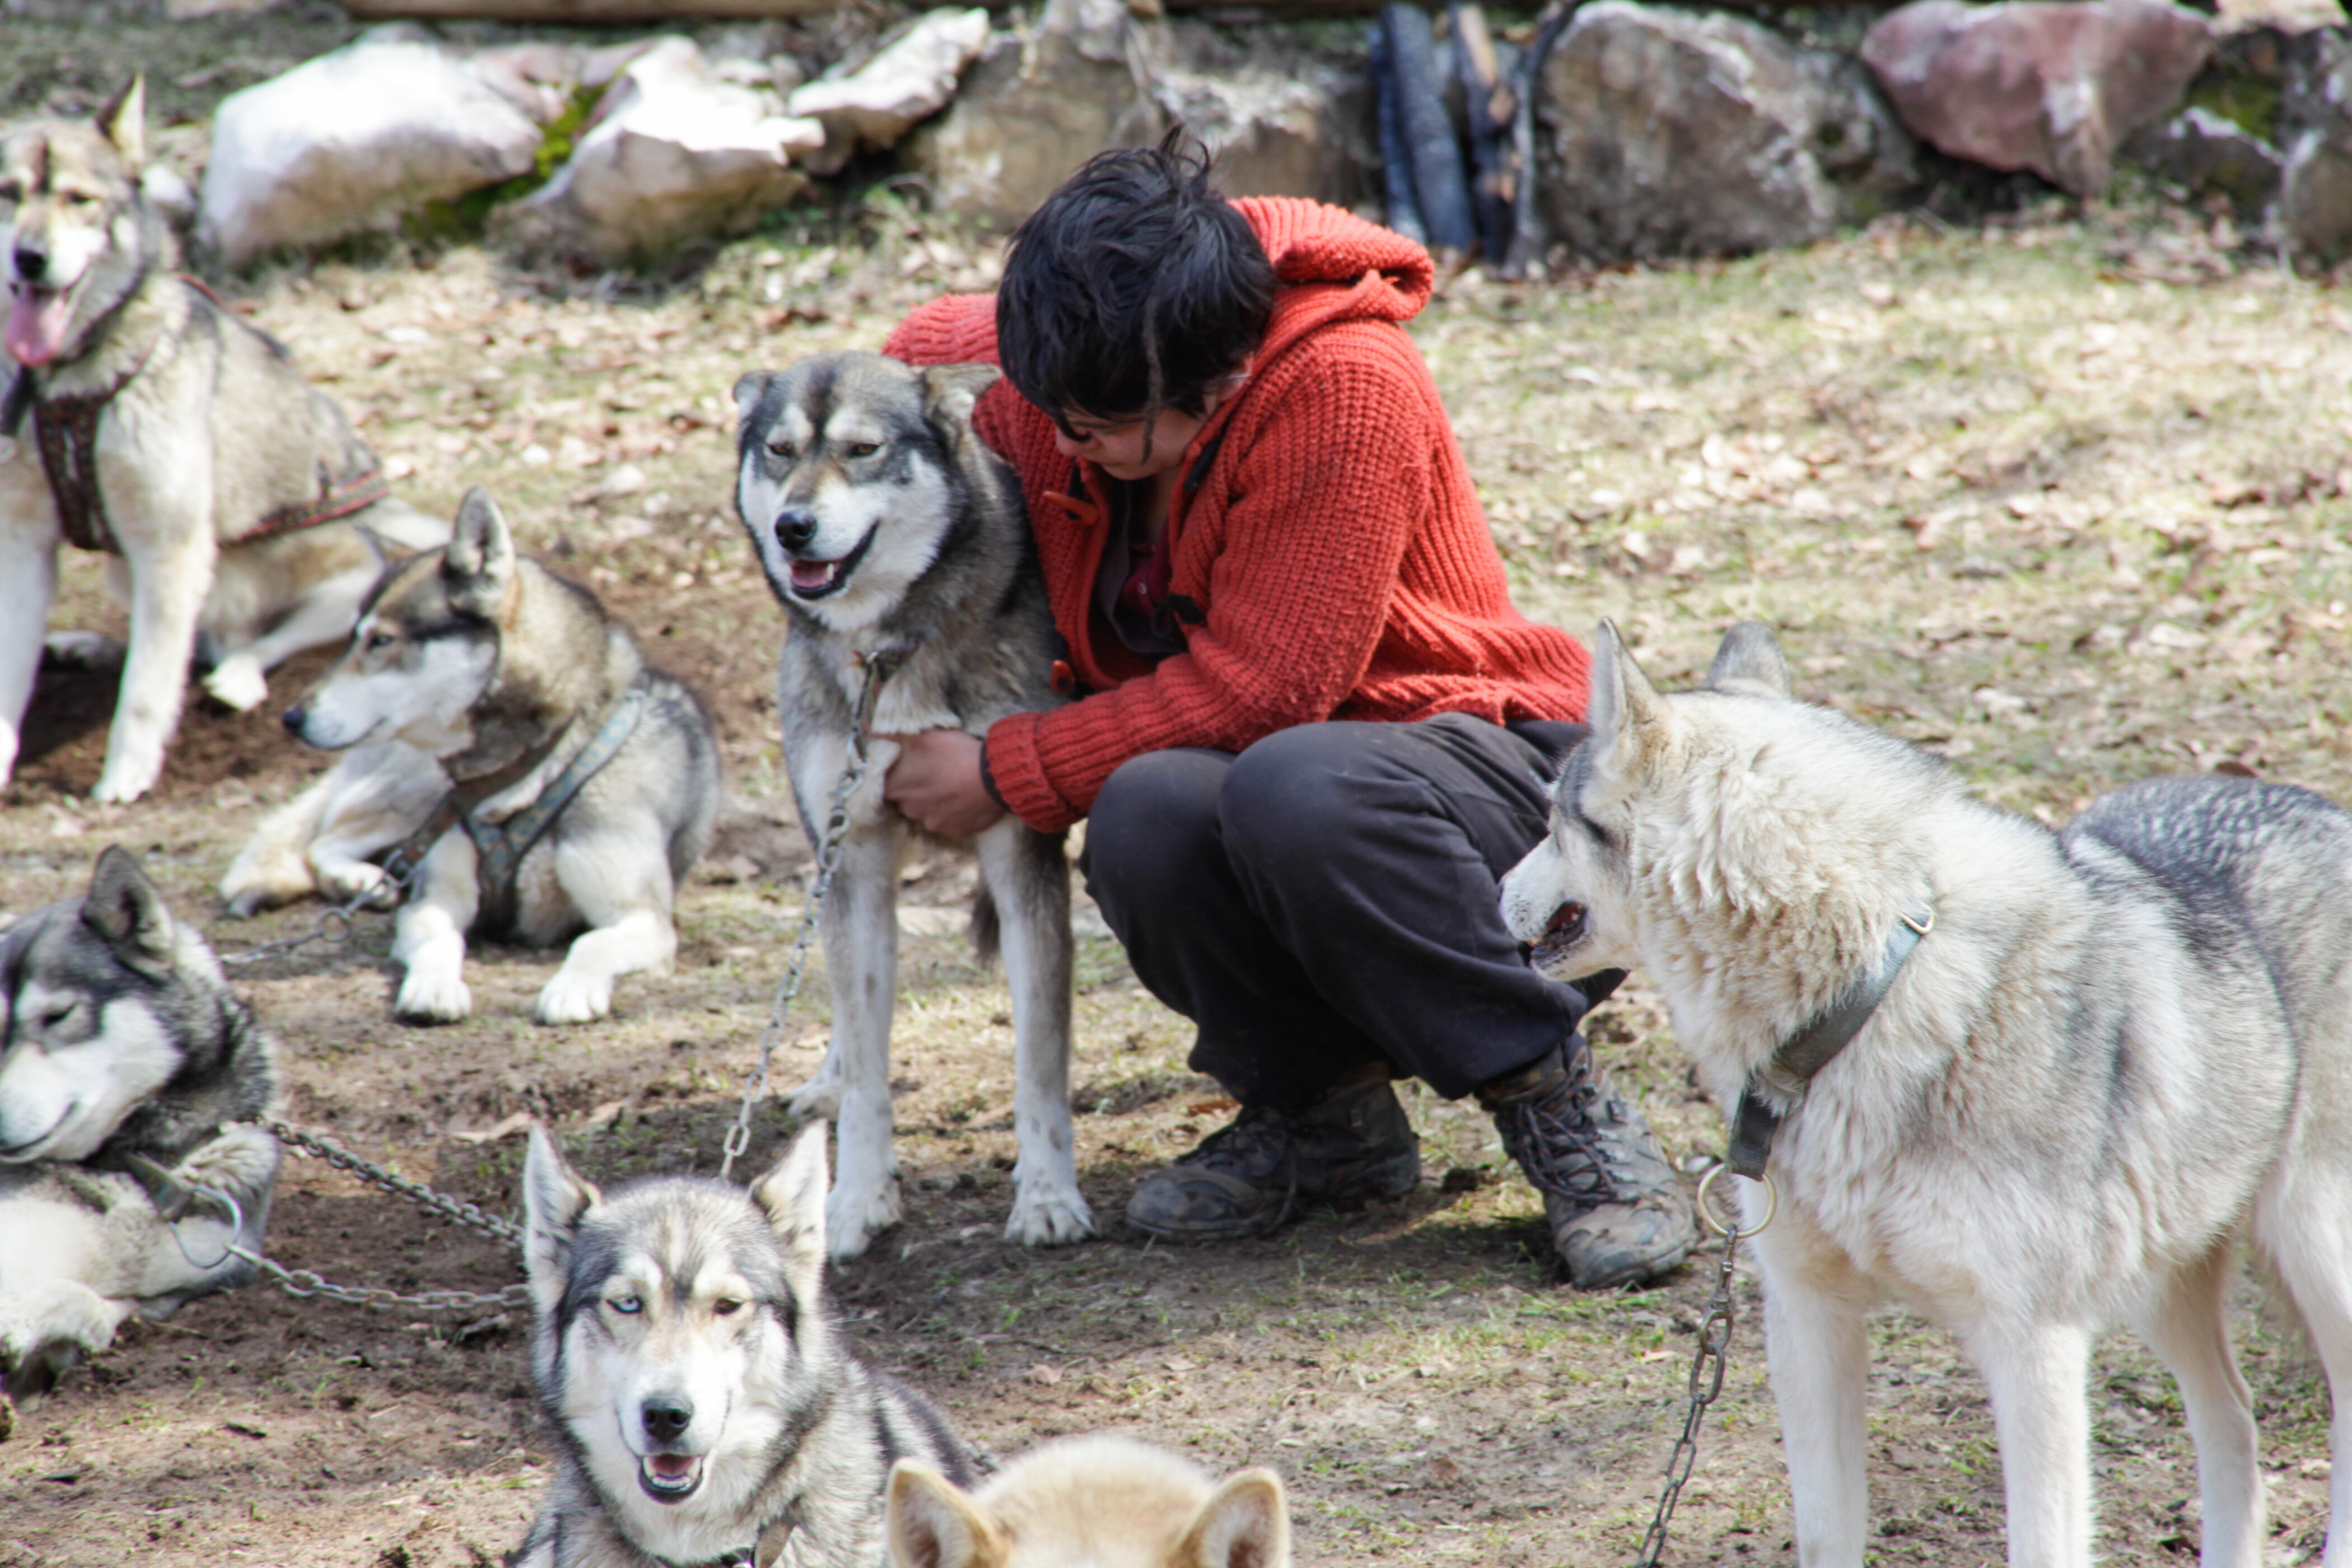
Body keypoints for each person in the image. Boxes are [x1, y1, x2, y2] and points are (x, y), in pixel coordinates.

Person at [878, 134, 1695, 1289]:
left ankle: (1560, 1103)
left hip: (1485, 789)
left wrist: (1004, 770)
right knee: (1146, 809)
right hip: (1297, 811)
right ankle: (1324, 1120)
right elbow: (917, 349)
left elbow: (1266, 691)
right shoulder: (1076, 368)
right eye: (1051, 408)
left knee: (1294, 779)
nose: (1064, 444)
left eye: (1103, 426)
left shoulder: (1343, 384)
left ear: (1211, 380)